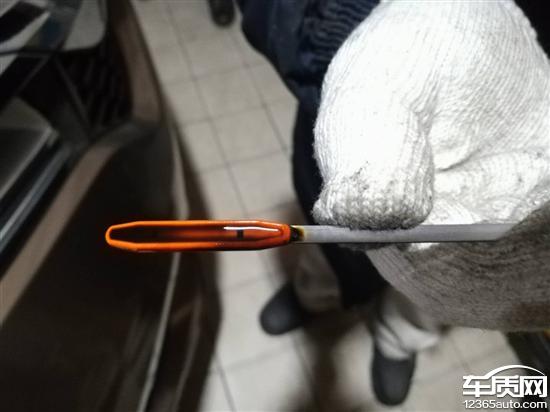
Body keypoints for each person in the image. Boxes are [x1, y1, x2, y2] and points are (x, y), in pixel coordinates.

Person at [237, 0, 550, 405]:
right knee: (337, 228)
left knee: (456, 283)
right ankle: (314, 293)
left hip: (520, 171)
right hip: (368, 86)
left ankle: (399, 340)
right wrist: (345, 29)